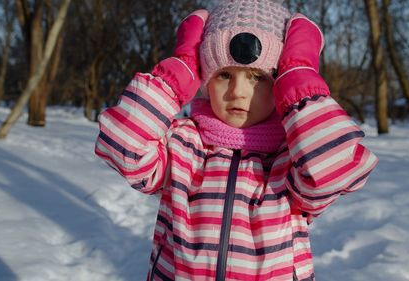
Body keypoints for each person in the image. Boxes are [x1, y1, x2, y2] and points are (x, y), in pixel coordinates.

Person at [95, 0, 379, 280]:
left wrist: (300, 81)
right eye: (224, 75)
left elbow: (336, 169)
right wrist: (177, 73)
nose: (237, 91)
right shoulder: (183, 144)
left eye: (257, 77)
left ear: (280, 82)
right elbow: (124, 147)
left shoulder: (292, 157)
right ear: (204, 80)